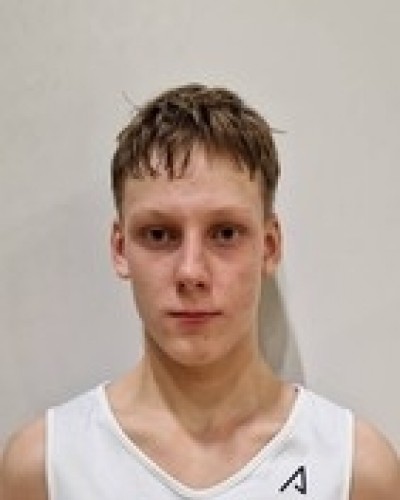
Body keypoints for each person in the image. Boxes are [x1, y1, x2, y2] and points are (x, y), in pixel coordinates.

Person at [1, 84, 399, 500]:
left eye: (225, 233)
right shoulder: (45, 467)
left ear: (269, 247)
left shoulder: (353, 471)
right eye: (159, 234)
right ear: (120, 250)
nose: (191, 272)